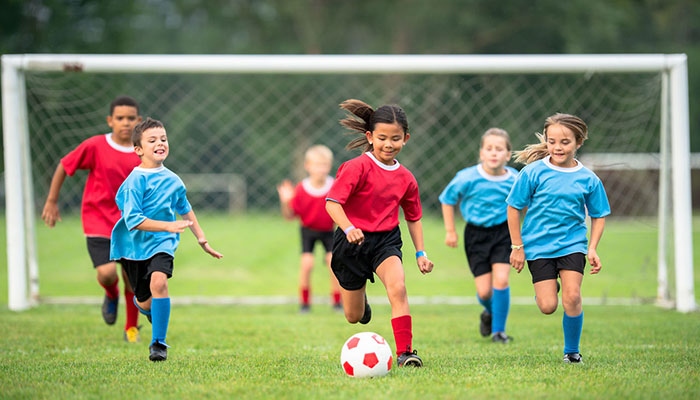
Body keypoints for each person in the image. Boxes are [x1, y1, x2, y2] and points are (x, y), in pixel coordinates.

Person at [325, 99, 434, 368]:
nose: (388, 144)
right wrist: (349, 227)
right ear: (370, 137)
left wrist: (421, 253)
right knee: (353, 316)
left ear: (406, 139)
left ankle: (405, 353)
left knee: (398, 288)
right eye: (382, 138)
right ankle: (362, 302)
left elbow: (413, 217)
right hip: (351, 242)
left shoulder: (406, 178)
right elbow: (332, 203)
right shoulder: (356, 168)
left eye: (395, 138)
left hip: (385, 241)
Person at [110, 117, 223, 362]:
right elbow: (134, 220)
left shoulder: (173, 180)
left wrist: (201, 237)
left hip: (163, 243)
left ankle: (158, 343)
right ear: (138, 149)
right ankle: (149, 310)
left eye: (163, 139)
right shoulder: (135, 181)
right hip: (134, 247)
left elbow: (184, 207)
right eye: (152, 140)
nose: (160, 143)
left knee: (160, 283)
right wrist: (168, 224)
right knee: (145, 301)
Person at [506, 113, 610, 364]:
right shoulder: (532, 173)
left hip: (572, 245)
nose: (557, 147)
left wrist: (593, 248)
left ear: (579, 142)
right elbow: (513, 207)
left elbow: (599, 214)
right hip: (538, 247)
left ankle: (572, 352)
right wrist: (517, 246)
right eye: (552, 141)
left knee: (572, 297)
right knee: (547, 306)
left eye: (565, 142)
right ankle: (549, 287)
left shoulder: (588, 178)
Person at [41, 95, 143, 342]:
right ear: (110, 121)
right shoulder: (96, 145)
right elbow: (65, 166)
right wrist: (52, 201)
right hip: (98, 221)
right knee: (108, 274)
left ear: (139, 121)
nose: (125, 123)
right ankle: (110, 293)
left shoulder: (144, 151)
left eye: (131, 118)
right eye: (120, 118)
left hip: (131, 224)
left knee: (133, 279)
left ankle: (131, 329)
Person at [439, 128, 517, 343]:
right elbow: (447, 199)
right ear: (481, 153)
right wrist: (450, 231)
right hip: (475, 235)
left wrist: (523, 232)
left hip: (503, 233)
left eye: (499, 149)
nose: (494, 153)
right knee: (484, 293)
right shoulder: (467, 177)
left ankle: (499, 332)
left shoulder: (516, 180)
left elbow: (524, 205)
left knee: (501, 281)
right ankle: (489, 313)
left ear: (508, 155)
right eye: (489, 149)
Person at [277, 145, 342, 313]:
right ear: (308, 166)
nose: (321, 169)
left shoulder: (334, 186)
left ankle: (337, 302)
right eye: (317, 164)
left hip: (329, 231)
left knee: (332, 263)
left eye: (325, 165)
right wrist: (285, 201)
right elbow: (289, 216)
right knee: (307, 264)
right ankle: (305, 304)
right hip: (308, 231)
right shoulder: (301, 189)